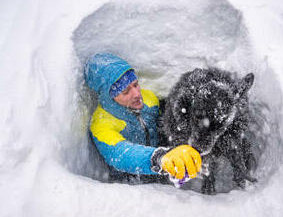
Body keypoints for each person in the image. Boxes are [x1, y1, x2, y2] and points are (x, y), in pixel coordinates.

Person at [84, 53, 202, 183]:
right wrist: (159, 158)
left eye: (135, 84)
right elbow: (120, 154)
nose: (136, 94)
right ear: (109, 97)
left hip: (163, 169)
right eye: (125, 91)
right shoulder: (101, 124)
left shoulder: (149, 99)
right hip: (130, 182)